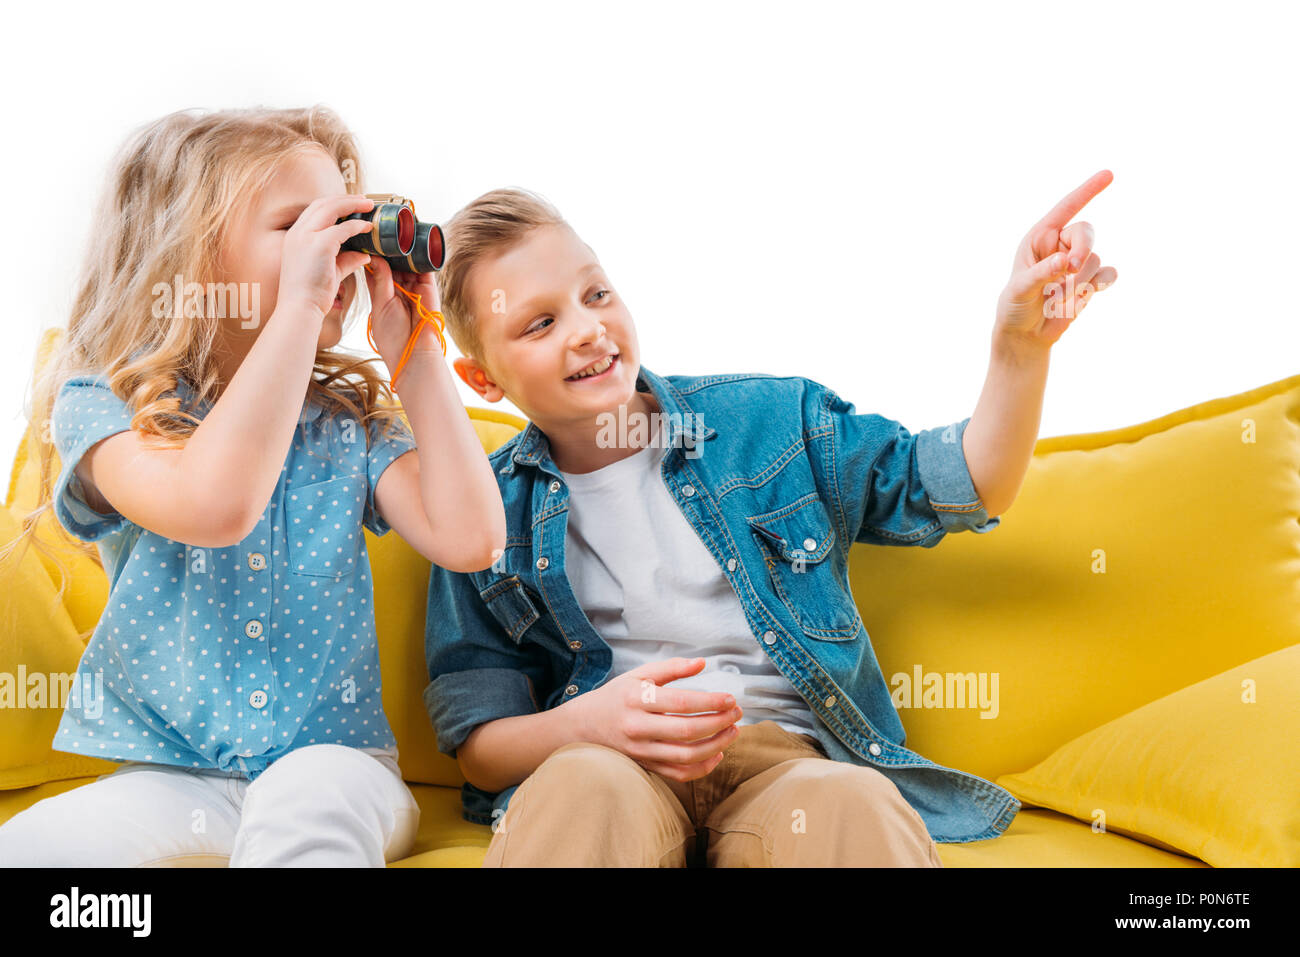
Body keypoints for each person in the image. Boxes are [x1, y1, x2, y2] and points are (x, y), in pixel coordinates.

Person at [423, 177, 1117, 866]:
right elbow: (481, 748)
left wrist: (1020, 348)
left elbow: (968, 484)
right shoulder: (478, 508)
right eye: (540, 323)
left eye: (596, 293)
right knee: (578, 790)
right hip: (603, 765)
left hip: (783, 766)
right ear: (481, 379)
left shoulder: (770, 422)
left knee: (856, 804)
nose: (587, 328)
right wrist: (589, 724)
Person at [0, 106, 506, 867]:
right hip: (173, 778)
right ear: (190, 257)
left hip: (338, 766)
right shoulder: (108, 405)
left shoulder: (352, 424)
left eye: (343, 225)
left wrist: (419, 353)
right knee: (34, 847)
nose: (336, 251)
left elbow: (472, 539)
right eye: (301, 226)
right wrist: (299, 308)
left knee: (309, 807)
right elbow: (214, 505)